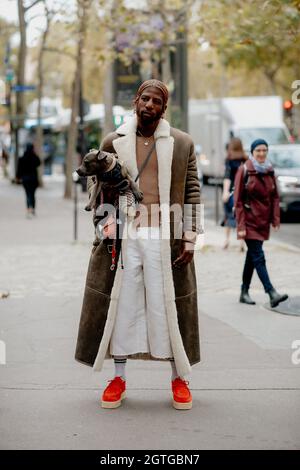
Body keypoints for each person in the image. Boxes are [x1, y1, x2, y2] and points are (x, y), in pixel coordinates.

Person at [75, 79, 202, 410]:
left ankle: (179, 380)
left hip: (166, 237)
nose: (149, 105)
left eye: (156, 101)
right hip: (124, 237)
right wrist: (104, 223)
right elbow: (95, 185)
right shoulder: (113, 141)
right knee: (123, 307)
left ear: (164, 107)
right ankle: (117, 378)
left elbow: (192, 189)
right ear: (136, 101)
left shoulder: (182, 143)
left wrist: (190, 235)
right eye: (144, 98)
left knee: (168, 308)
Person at [234, 138, 288, 307]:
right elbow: (238, 201)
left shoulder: (270, 171)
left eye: (264, 150)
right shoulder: (244, 170)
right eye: (258, 150)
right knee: (258, 256)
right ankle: (271, 292)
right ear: (252, 152)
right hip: (249, 221)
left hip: (262, 221)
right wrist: (241, 226)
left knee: (252, 257)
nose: (262, 153)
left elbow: (275, 197)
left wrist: (276, 218)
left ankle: (244, 292)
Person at [222, 138, 247, 250]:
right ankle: (241, 243)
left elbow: (227, 177)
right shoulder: (245, 159)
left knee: (228, 215)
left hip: (232, 191)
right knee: (241, 217)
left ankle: (226, 240)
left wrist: (225, 192)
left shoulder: (229, 159)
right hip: (243, 191)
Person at [17, 143, 41, 218]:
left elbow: (19, 169)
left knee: (28, 194)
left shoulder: (22, 158)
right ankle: (32, 209)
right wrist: (35, 154)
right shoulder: (34, 157)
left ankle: (28, 209)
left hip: (25, 179)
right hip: (33, 179)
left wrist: (17, 177)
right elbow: (39, 163)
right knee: (33, 195)